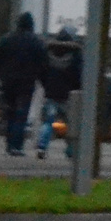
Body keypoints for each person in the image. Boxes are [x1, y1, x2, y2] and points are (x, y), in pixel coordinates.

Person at [0, 12, 47, 156]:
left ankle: (9, 143)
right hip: (26, 83)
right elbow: (42, 63)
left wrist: (1, 76)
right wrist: (40, 79)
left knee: (9, 113)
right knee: (21, 115)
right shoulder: (36, 42)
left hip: (8, 82)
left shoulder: (6, 40)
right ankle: (17, 145)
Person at [36, 27, 83, 160]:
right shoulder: (76, 53)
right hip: (69, 95)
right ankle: (71, 150)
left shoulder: (48, 51)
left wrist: (46, 85)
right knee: (71, 124)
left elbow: (42, 72)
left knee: (48, 122)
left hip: (51, 92)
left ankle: (41, 147)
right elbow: (78, 74)